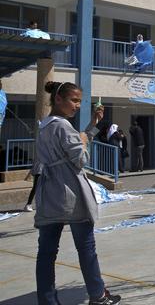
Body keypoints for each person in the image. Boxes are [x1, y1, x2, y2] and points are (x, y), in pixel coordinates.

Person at [33, 81, 121, 304]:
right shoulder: (63, 126)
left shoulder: (45, 124)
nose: (77, 105)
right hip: (70, 194)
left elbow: (73, 144)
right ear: (58, 99)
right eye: (73, 100)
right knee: (86, 247)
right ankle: (97, 294)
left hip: (49, 194)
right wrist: (82, 140)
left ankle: (47, 300)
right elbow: (81, 159)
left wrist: (92, 125)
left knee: (46, 252)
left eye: (79, 102)